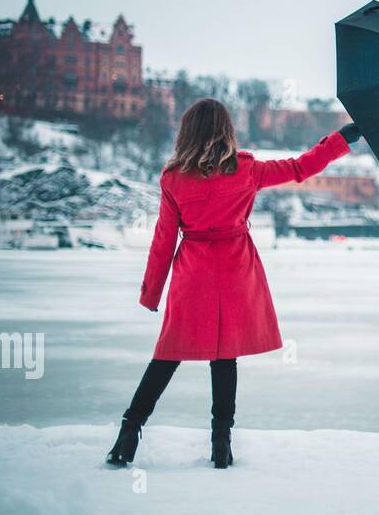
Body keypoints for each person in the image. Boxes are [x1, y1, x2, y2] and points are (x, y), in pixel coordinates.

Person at [106, 98, 361, 469]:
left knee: (167, 354)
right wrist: (341, 138)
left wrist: (151, 293)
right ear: (226, 130)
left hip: (192, 273)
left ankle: (128, 435)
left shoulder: (173, 178)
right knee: (225, 357)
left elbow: (163, 239)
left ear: (187, 132)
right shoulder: (246, 170)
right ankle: (221, 445)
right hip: (235, 270)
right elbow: (300, 167)